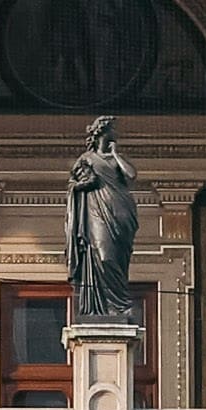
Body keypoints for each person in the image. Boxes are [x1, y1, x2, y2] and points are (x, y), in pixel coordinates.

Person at [65, 114, 139, 323]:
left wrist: (115, 154)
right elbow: (75, 184)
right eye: (113, 129)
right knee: (104, 256)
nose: (116, 133)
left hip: (122, 210)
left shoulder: (116, 158)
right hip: (96, 211)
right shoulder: (86, 159)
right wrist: (81, 185)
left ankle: (118, 308)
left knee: (119, 259)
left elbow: (131, 175)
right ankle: (110, 306)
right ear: (102, 132)